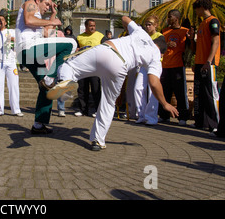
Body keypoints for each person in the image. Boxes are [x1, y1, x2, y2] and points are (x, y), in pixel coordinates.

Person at [47, 16, 178, 151]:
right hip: (119, 65)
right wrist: (165, 103)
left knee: (69, 66)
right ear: (163, 52)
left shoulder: (141, 33)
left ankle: (65, 81)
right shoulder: (156, 57)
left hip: (106, 50)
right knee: (108, 102)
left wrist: (129, 29)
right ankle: (97, 140)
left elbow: (125, 18)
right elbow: (154, 83)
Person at [15, 0, 77, 134]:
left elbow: (46, 33)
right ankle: (53, 76)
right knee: (71, 43)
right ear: (38, 1)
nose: (48, 7)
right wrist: (55, 22)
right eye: (47, 4)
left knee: (47, 88)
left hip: (31, 54)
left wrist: (53, 15)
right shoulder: (31, 3)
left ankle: (38, 125)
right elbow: (29, 19)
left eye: (50, 6)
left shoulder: (40, 19)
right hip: (28, 48)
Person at [189, 0, 221, 132]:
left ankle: (215, 124)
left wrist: (209, 61)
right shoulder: (202, 24)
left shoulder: (213, 21)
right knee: (199, 94)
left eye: (196, 9)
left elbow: (216, 42)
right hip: (199, 63)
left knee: (210, 94)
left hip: (209, 64)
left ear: (202, 7)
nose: (196, 12)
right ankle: (200, 122)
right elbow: (197, 46)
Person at [0, 12, 22, 117]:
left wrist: (12, 39)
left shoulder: (11, 32)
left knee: (14, 85)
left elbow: (19, 43)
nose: (0, 21)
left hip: (11, 61)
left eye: (2, 20)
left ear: (5, 22)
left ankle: (16, 109)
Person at [158, 9, 191, 125]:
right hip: (165, 66)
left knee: (180, 93)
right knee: (165, 92)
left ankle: (183, 117)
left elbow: (190, 48)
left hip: (178, 66)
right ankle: (164, 115)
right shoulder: (164, 31)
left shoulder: (185, 31)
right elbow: (159, 46)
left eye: (170, 16)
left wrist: (191, 38)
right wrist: (166, 44)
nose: (168, 19)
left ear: (176, 18)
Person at [134, 15, 166, 126]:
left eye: (150, 24)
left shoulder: (159, 36)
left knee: (152, 91)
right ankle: (141, 115)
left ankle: (151, 117)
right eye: (146, 25)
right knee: (138, 88)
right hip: (144, 65)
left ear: (155, 25)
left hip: (154, 64)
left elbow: (156, 48)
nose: (147, 27)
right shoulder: (144, 36)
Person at [74, 19, 106, 117]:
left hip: (95, 67)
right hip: (82, 66)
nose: (93, 28)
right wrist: (76, 49)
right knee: (82, 89)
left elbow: (106, 48)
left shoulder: (100, 36)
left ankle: (97, 110)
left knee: (96, 89)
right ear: (86, 27)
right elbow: (75, 49)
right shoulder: (79, 37)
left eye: (94, 26)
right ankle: (83, 110)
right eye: (90, 26)